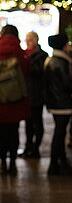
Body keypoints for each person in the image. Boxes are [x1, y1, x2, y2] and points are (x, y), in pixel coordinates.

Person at [0, 25, 30, 175]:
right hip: (16, 98)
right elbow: (26, 70)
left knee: (1, 130)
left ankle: (3, 160)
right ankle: (12, 163)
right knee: (14, 130)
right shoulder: (19, 51)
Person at [44, 34, 72, 175]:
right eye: (67, 44)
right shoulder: (61, 62)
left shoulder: (50, 60)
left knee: (59, 133)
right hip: (63, 103)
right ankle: (54, 164)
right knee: (59, 134)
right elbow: (67, 84)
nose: (69, 46)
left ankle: (59, 162)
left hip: (54, 102)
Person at [21, 32, 48, 158]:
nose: (28, 42)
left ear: (36, 40)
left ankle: (35, 148)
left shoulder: (42, 55)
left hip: (36, 93)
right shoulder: (24, 54)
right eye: (27, 39)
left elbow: (40, 72)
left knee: (37, 122)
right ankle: (28, 147)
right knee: (28, 123)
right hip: (27, 93)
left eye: (30, 39)